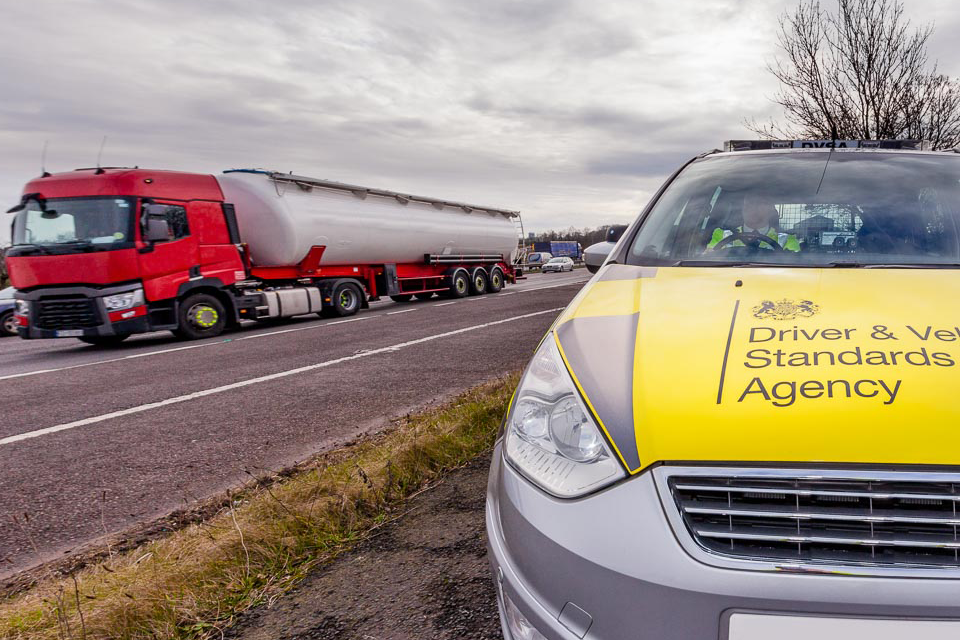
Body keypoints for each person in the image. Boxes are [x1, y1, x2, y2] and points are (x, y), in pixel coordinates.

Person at [707, 193, 800, 252]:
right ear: (743, 209)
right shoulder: (721, 235)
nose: (753, 208)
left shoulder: (787, 240)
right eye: (749, 203)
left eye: (760, 203)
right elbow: (708, 259)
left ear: (771, 210)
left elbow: (795, 269)